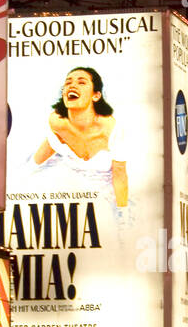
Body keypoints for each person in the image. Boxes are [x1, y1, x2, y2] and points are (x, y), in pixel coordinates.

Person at [29, 67, 132, 238]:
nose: (72, 86)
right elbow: (45, 151)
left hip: (107, 200)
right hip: (68, 202)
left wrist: (122, 219)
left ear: (96, 95)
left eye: (81, 82)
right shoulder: (56, 122)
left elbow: (120, 175)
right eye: (68, 82)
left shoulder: (111, 129)